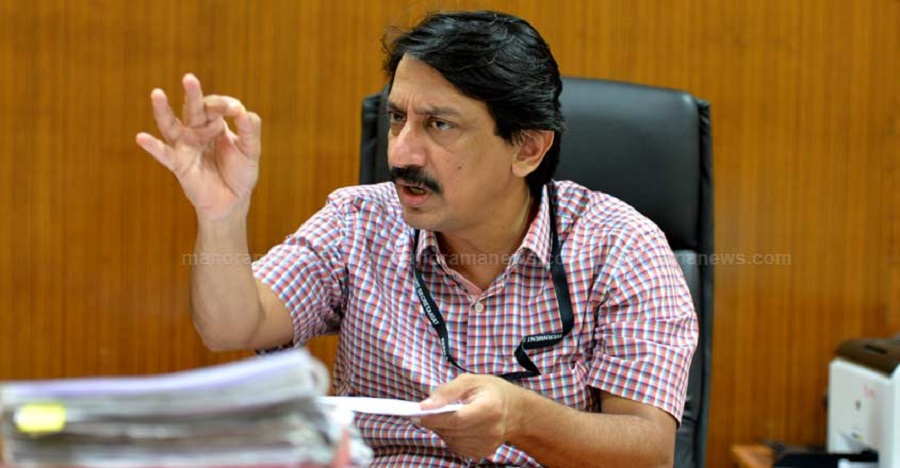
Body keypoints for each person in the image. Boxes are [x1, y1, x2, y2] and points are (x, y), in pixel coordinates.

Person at [136, 10, 697, 467]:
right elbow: (233, 325)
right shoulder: (358, 221)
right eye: (398, 117)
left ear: (527, 148)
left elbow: (648, 453)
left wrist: (522, 418)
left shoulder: (620, 247)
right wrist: (222, 215)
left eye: (439, 124)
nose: (401, 152)